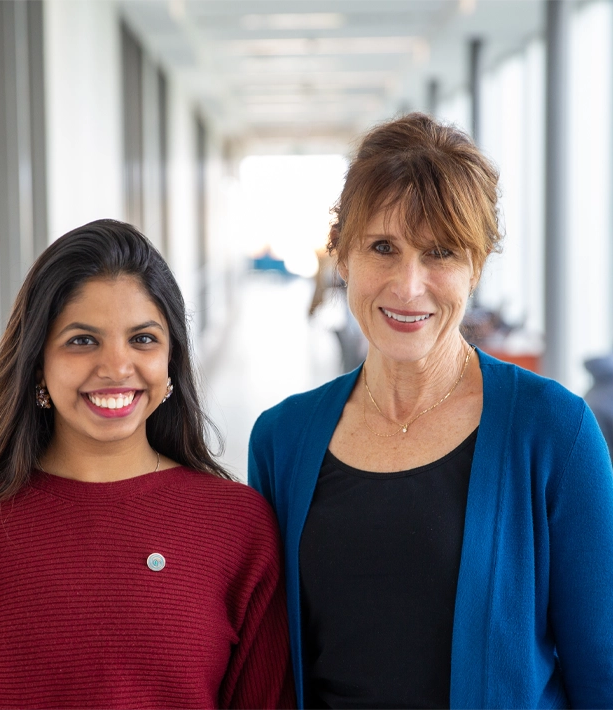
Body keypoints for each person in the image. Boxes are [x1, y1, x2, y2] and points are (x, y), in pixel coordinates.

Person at [248, 113, 613, 709]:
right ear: (342, 255)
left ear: (477, 266)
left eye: (440, 252)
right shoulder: (281, 439)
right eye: (383, 248)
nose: (408, 286)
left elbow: (602, 672)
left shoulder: (553, 432)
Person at [0, 219, 296, 709]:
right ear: (37, 360)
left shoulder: (238, 526)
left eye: (143, 339)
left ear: (171, 360)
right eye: (82, 340)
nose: (116, 367)